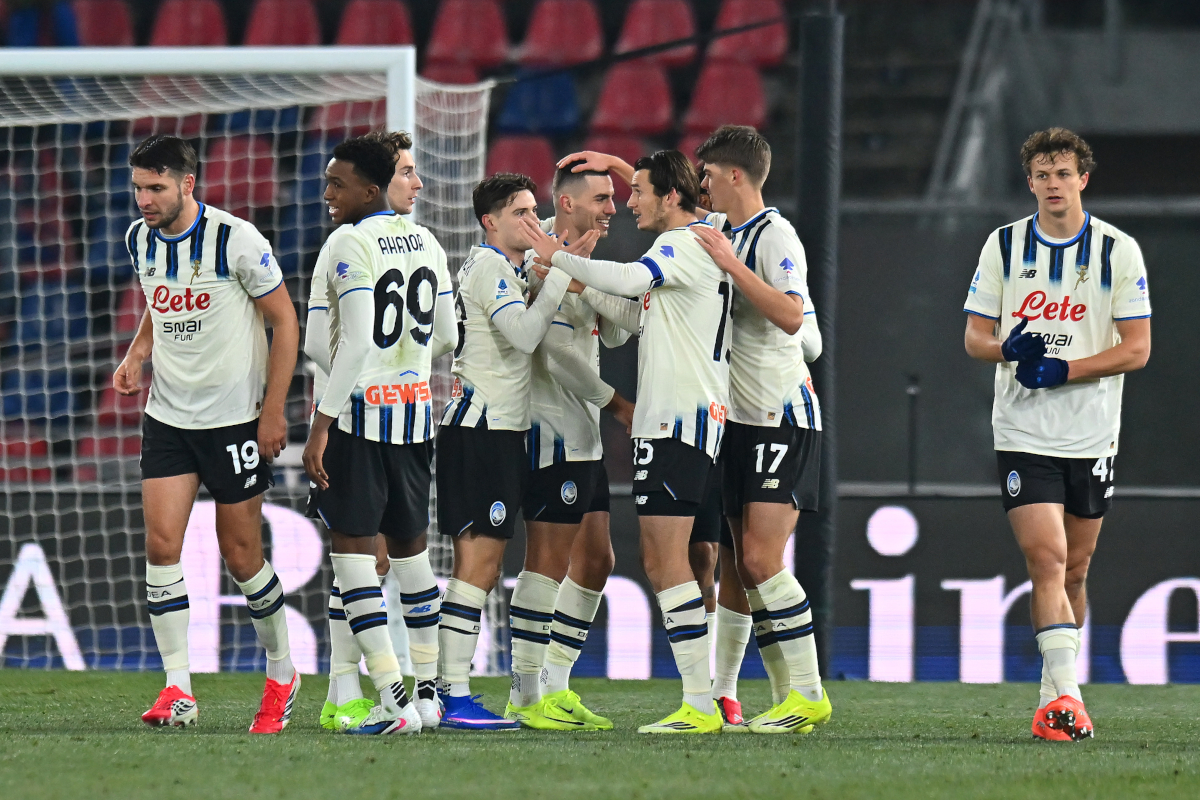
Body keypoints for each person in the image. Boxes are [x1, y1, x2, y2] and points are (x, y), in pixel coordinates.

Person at [523, 150, 732, 735]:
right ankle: (702, 698)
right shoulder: (701, 241)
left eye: (636, 191)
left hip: (672, 421)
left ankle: (700, 703)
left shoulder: (677, 244)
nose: (627, 202)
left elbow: (633, 281)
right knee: (667, 560)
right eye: (617, 192)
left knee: (666, 561)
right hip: (693, 418)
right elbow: (635, 314)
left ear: (670, 197)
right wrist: (578, 279)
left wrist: (558, 259)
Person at [963, 128, 1151, 742]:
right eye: (1042, 175)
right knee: (1046, 560)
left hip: (1092, 433)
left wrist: (1065, 369)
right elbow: (975, 338)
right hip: (1023, 429)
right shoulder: (1004, 245)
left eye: (1063, 173)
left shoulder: (1117, 251)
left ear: (1083, 179)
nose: (1053, 184)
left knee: (1075, 570)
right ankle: (1069, 700)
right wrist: (1007, 349)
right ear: (1030, 182)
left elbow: (1137, 349)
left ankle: (1053, 694)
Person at [114, 135, 300, 733]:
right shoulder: (139, 239)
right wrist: (138, 352)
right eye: (138, 188)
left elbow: (284, 320)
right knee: (161, 546)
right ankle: (178, 689)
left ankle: (282, 671)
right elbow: (157, 299)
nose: (144, 199)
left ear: (187, 184)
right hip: (168, 417)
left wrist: (273, 410)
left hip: (234, 420)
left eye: (156, 188)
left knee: (242, 556)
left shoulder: (236, 239)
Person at [302, 135, 456, 735]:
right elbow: (448, 335)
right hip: (414, 416)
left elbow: (351, 339)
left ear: (369, 191)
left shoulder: (348, 242)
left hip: (359, 420)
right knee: (414, 561)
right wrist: (407, 368)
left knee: (354, 563)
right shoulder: (427, 241)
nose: (327, 193)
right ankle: (427, 696)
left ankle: (391, 700)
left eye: (336, 184)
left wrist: (323, 421)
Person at [690, 125, 832, 733]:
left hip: (781, 416)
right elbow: (674, 201)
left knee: (760, 557)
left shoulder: (775, 235)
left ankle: (808, 693)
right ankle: (732, 694)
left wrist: (731, 265)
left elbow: (794, 315)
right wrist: (620, 170)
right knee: (739, 564)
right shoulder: (726, 228)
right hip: (740, 421)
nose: (702, 185)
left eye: (709, 174)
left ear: (735, 175)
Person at [434, 173, 579, 731]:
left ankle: (449, 689)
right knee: (478, 565)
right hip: (481, 431)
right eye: (521, 213)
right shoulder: (491, 269)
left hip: (498, 432)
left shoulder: (505, 265)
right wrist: (558, 276)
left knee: (484, 566)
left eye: (534, 210)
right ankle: (452, 692)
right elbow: (523, 335)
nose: (532, 221)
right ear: (490, 221)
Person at [504, 162, 635, 730]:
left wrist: (594, 283)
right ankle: (525, 692)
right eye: (601, 198)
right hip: (549, 429)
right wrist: (618, 404)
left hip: (583, 435)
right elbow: (556, 354)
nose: (612, 208)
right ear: (567, 203)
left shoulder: (581, 261)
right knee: (547, 562)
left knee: (598, 559)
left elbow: (619, 332)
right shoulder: (538, 260)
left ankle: (555, 685)